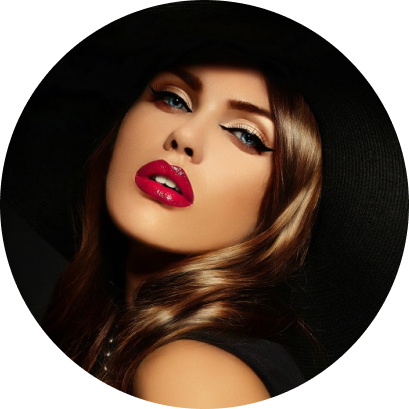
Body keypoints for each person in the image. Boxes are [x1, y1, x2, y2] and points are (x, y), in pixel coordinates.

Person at [1, 1, 407, 405]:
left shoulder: (191, 373)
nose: (185, 136)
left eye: (246, 135)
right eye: (173, 99)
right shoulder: (115, 333)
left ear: (282, 206)